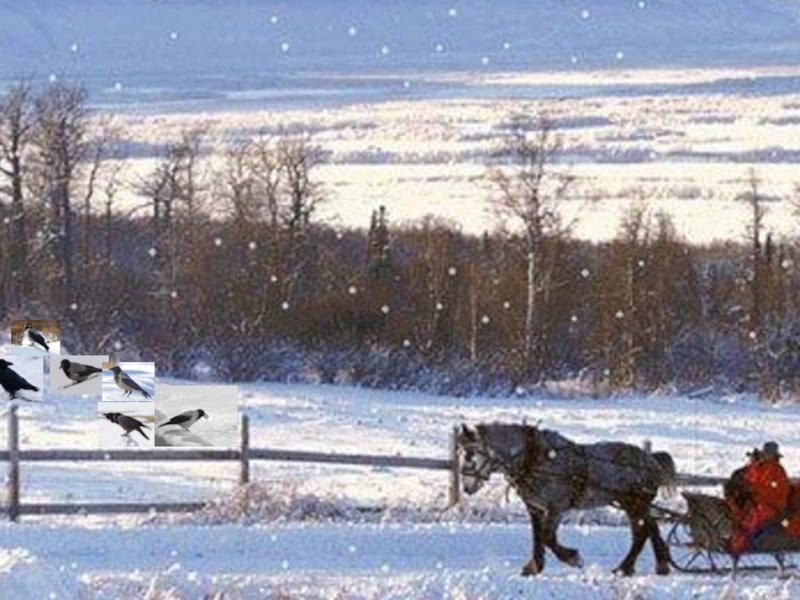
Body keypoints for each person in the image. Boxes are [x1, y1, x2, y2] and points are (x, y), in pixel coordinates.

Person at [728, 441, 790, 554]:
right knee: (736, 510)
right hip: (756, 501)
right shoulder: (758, 467)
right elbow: (747, 479)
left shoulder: (778, 470)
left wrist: (753, 491)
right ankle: (731, 537)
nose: (766, 456)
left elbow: (776, 492)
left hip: (771, 506)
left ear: (773, 455)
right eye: (765, 453)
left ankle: (738, 546)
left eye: (768, 454)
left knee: (752, 518)